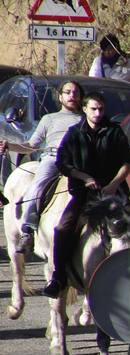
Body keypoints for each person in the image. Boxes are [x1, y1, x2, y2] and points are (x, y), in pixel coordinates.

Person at [46, 91, 130, 297]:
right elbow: (63, 163)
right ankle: (59, 277)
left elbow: (127, 163)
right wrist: (84, 178)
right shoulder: (74, 133)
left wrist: (113, 185)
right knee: (62, 228)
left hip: (113, 195)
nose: (97, 113)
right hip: (83, 195)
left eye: (101, 109)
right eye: (93, 109)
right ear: (85, 109)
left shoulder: (115, 132)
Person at [0, 79, 83, 250]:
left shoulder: (85, 119)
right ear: (60, 97)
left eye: (76, 93)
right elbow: (31, 146)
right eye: (67, 92)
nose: (72, 96)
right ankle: (28, 230)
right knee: (37, 186)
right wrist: (9, 145)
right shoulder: (49, 119)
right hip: (53, 158)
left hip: (80, 160)